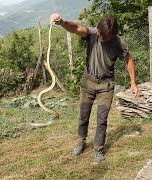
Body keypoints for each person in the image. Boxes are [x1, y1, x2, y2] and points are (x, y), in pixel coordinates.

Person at [50, 13, 140, 163]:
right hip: (88, 82)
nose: (102, 38)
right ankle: (80, 142)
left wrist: (133, 83)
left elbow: (128, 59)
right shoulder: (93, 34)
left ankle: (98, 149)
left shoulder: (118, 42)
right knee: (84, 114)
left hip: (106, 85)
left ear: (113, 34)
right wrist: (62, 22)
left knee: (102, 118)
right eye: (101, 34)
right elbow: (76, 28)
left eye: (106, 37)